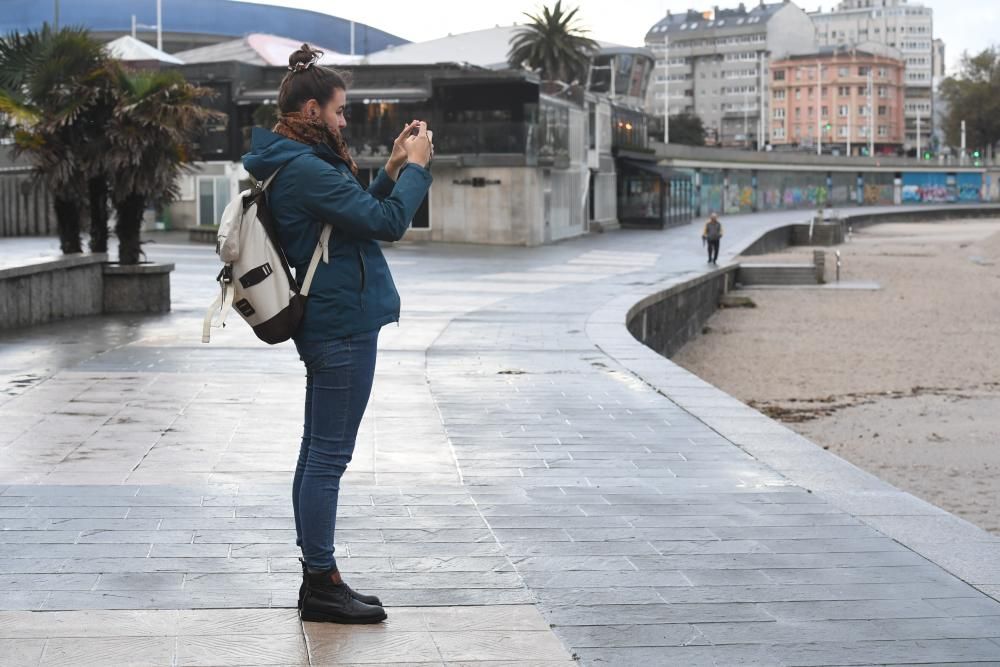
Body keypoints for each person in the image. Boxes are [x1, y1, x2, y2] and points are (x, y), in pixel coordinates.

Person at [242, 45, 433, 625]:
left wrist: (395, 170)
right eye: (341, 111)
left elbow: (352, 219)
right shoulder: (304, 167)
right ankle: (322, 583)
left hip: (333, 319)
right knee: (327, 456)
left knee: (315, 453)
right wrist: (421, 168)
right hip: (341, 325)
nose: (345, 120)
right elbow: (388, 223)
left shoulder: (298, 162)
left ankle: (318, 580)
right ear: (312, 108)